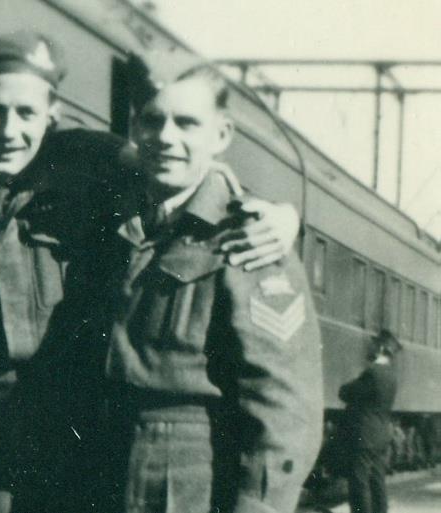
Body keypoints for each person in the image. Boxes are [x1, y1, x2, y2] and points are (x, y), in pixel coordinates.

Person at [0, 33, 303, 513]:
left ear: (52, 114)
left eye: (27, 114)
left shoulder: (87, 166)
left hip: (73, 457)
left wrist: (275, 213)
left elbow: (178, 166)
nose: (8, 129)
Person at [97, 60, 325, 513]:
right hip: (103, 469)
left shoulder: (248, 238)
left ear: (221, 136)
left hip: (187, 482)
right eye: (152, 120)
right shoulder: (126, 222)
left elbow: (283, 404)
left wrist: (259, 505)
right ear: (135, 130)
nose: (166, 137)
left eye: (186, 123)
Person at [339, 330, 400, 513]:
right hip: (381, 436)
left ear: (380, 348)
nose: (370, 346)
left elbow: (346, 393)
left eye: (374, 344)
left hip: (365, 435)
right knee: (377, 480)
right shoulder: (392, 375)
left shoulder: (372, 373)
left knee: (359, 482)